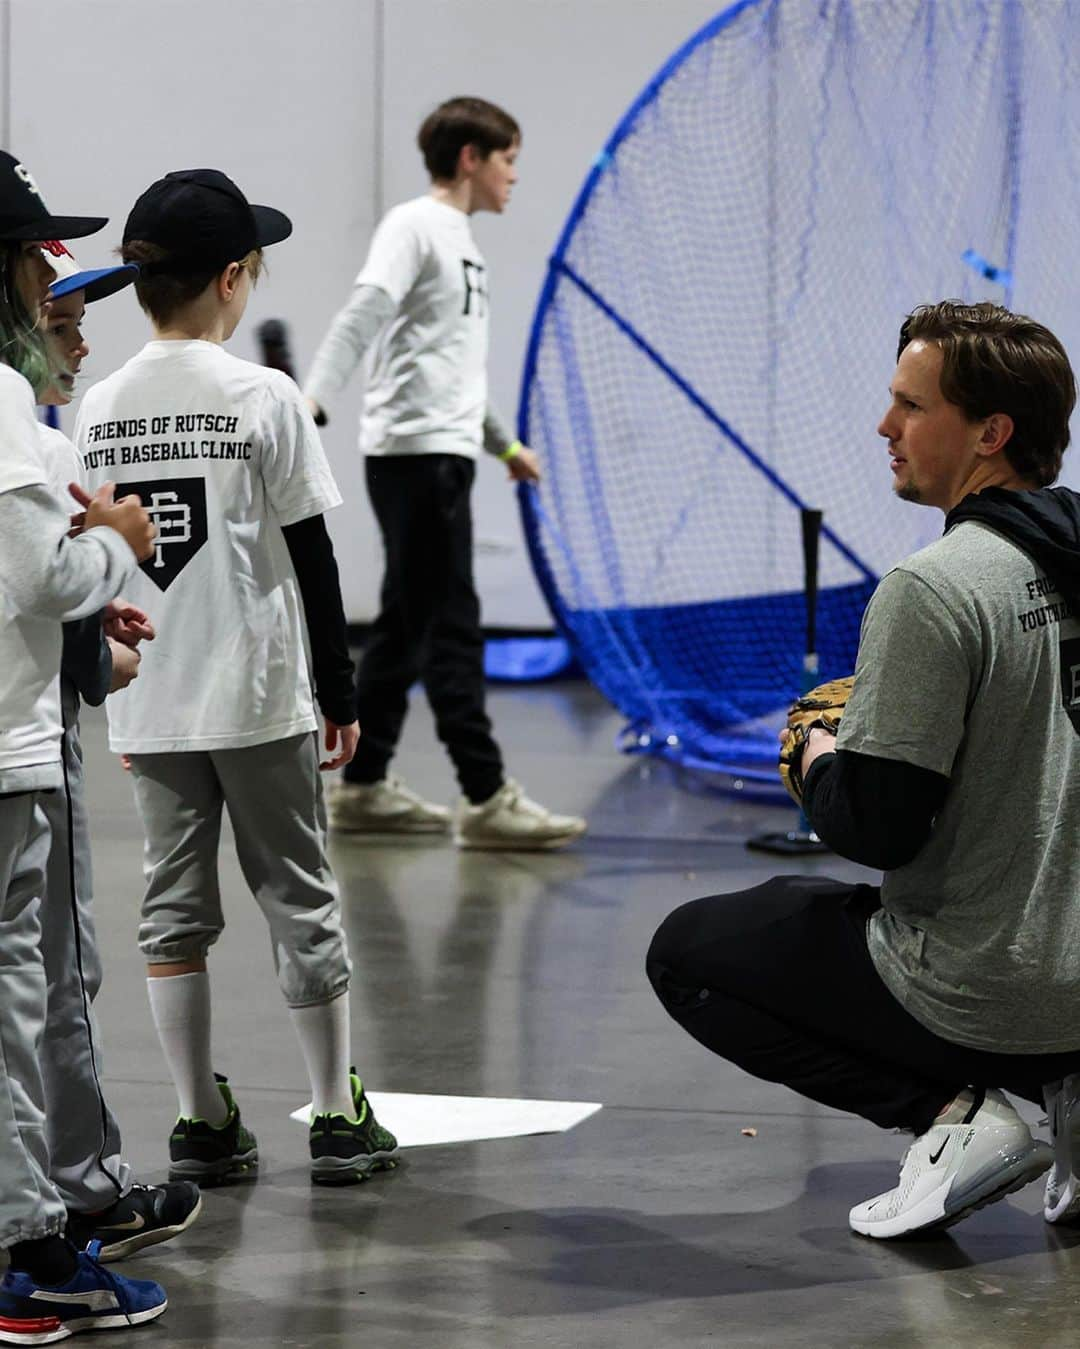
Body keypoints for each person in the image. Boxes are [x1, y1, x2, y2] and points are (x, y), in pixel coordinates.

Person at [647, 300, 1080, 1240]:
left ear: (991, 433)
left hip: (986, 991)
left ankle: (959, 1116)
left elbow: (874, 828)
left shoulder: (934, 589)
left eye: (911, 407)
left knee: (689, 952)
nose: (886, 427)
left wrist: (818, 750)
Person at [74, 168, 398, 1187]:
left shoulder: (98, 403)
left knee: (172, 909)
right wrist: (342, 696)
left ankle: (197, 1119)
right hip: (258, 697)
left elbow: (91, 555)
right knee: (299, 894)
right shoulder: (263, 396)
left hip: (151, 696)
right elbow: (314, 556)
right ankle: (337, 1113)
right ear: (232, 279)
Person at [304, 96, 586, 850]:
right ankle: (487, 796)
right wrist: (312, 397)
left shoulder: (460, 240)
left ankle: (360, 785)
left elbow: (451, 369)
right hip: (417, 457)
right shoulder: (416, 225)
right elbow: (362, 312)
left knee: (404, 625)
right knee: (452, 626)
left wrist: (503, 445)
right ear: (470, 157)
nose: (514, 177)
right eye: (508, 159)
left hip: (443, 453)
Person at [0, 151, 166, 1339]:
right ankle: (32, 1241)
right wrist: (116, 540)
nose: (61, 312)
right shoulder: (4, 410)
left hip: (24, 719)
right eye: (37, 270)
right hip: (8, 751)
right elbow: (42, 569)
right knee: (29, 994)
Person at [35, 240, 203, 1261]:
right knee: (53, 983)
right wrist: (116, 556)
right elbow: (43, 590)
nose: (83, 339)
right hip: (21, 756)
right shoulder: (30, 446)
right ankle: (72, 1210)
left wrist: (93, 627)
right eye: (60, 322)